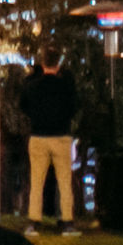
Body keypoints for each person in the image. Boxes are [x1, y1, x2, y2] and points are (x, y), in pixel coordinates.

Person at [20, 51, 82, 231]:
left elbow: (23, 105)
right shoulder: (65, 86)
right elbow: (74, 106)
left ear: (42, 63)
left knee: (37, 180)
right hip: (61, 136)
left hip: (38, 136)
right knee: (64, 180)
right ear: (59, 64)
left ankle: (34, 220)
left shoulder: (32, 86)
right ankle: (67, 221)